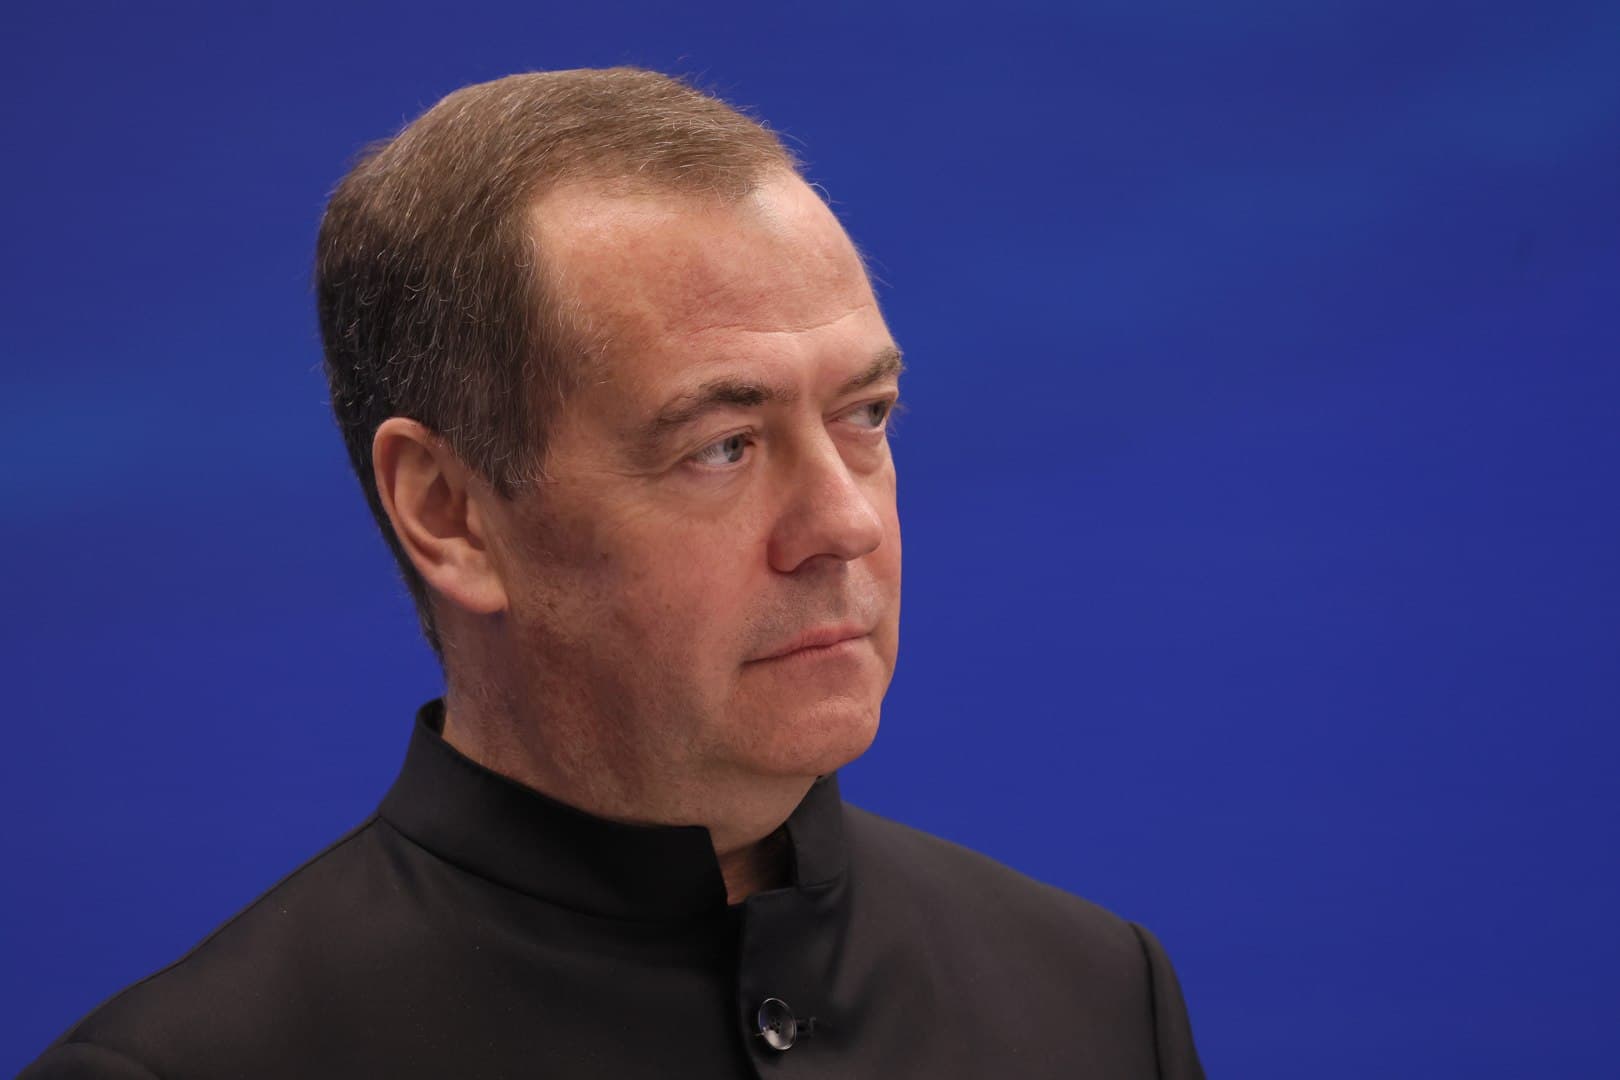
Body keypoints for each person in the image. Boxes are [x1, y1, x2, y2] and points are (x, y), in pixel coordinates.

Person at [20, 67, 1204, 1078]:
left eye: (866, 415)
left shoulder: (1098, 999)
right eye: (722, 446)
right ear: (450, 514)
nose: (844, 525)